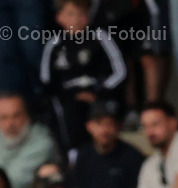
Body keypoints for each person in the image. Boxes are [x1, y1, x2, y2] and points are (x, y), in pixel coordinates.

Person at [42, 0, 127, 152]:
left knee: (100, 112)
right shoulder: (54, 44)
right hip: (68, 99)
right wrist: (71, 95)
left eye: (81, 14)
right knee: (65, 111)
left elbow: (120, 72)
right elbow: (46, 80)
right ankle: (72, 154)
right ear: (59, 17)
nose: (76, 19)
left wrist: (99, 92)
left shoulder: (100, 37)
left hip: (99, 94)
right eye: (70, 14)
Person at [69, 100, 145, 188]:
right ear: (89, 126)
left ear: (118, 127)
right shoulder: (83, 155)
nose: (104, 130)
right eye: (99, 124)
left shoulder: (132, 156)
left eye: (109, 124)